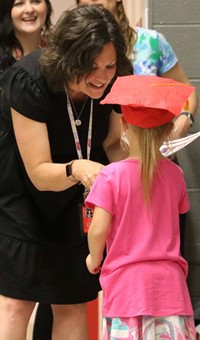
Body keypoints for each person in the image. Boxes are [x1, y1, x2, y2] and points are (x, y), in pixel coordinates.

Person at [0, 4, 132, 340]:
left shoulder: (116, 77)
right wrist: (78, 167)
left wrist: (133, 168)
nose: (103, 76)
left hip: (79, 201)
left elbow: (114, 142)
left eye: (110, 65)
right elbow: (39, 172)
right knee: (16, 303)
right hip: (25, 199)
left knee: (72, 303)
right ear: (68, 59)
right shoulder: (29, 79)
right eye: (91, 67)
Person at [85, 75, 197, 339]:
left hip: (127, 290)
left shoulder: (110, 176)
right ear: (168, 128)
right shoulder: (176, 175)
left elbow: (98, 230)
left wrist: (94, 258)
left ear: (124, 124)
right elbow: (179, 215)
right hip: (171, 290)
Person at [76, 0, 199, 139]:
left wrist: (179, 127)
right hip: (104, 152)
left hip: (153, 148)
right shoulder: (74, 51)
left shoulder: (151, 41)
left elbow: (187, 93)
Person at [0, 0, 52, 74]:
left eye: (36, 1)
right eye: (19, 4)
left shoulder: (60, 52)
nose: (29, 10)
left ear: (47, 8)